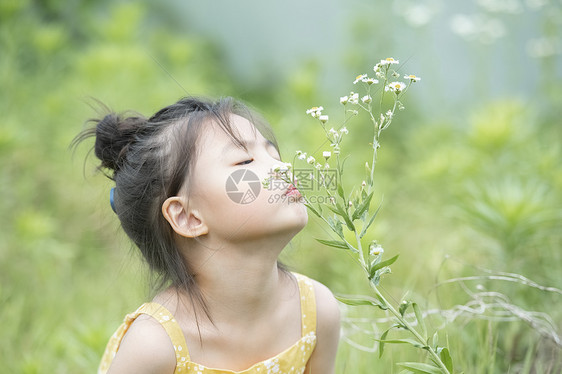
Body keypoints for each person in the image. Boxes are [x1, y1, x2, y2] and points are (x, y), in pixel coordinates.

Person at [74, 97, 341, 373]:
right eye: (244, 161)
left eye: (274, 155)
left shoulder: (317, 311)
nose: (283, 169)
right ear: (187, 217)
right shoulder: (154, 346)